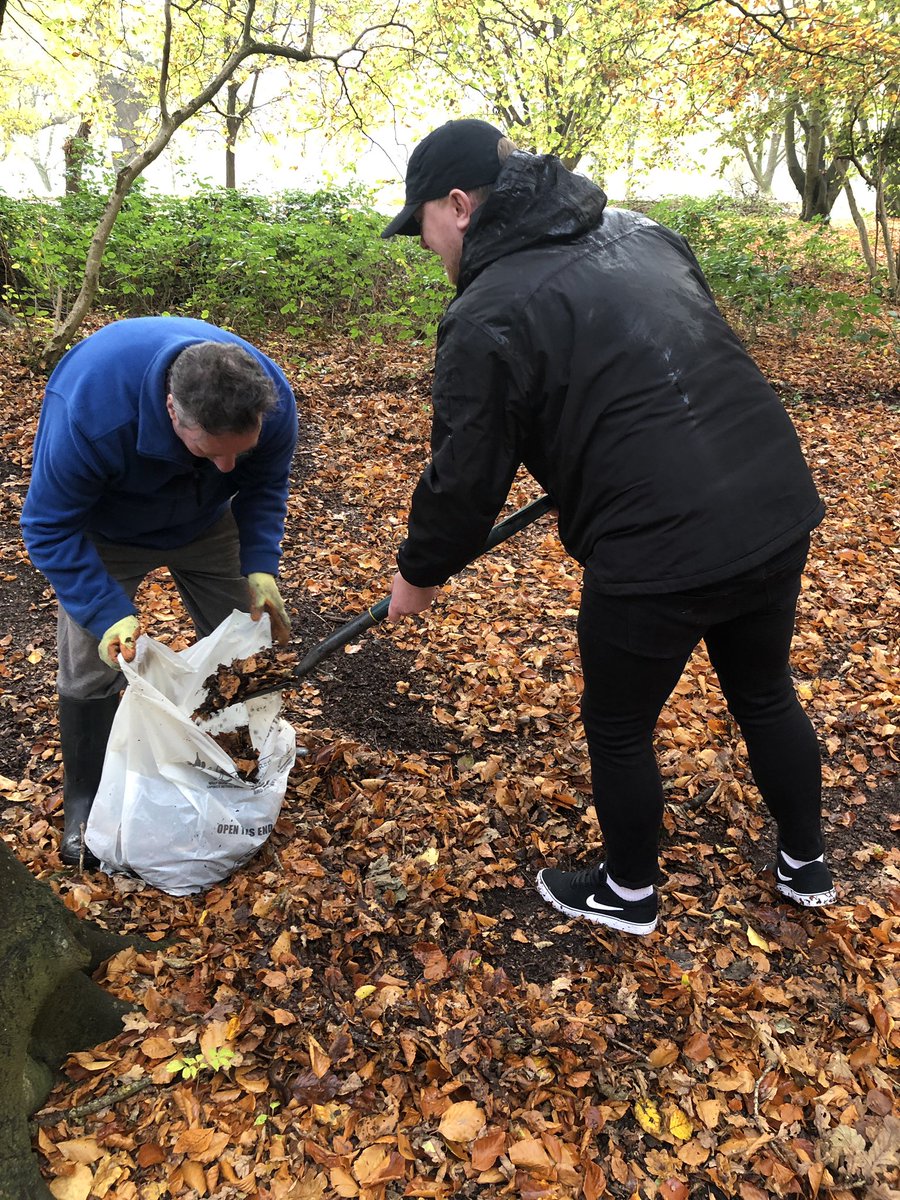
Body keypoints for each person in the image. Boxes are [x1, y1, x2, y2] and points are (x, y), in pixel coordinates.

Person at [381, 118, 835, 936]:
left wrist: (417, 576)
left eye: (425, 231)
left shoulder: (485, 313)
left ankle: (627, 892)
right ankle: (807, 865)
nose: (429, 252)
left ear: (458, 204)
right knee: (764, 691)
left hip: (659, 546)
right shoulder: (642, 230)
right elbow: (667, 354)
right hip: (772, 503)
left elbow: (465, 480)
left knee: (618, 723)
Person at [21, 316, 298, 868]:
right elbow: (48, 526)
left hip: (206, 523)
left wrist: (261, 564)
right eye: (211, 451)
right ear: (173, 411)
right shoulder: (92, 409)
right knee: (91, 661)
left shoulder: (270, 400)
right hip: (110, 529)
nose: (228, 466)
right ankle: (86, 796)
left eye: (238, 453)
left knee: (241, 640)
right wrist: (105, 612)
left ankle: (232, 764)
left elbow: (264, 483)